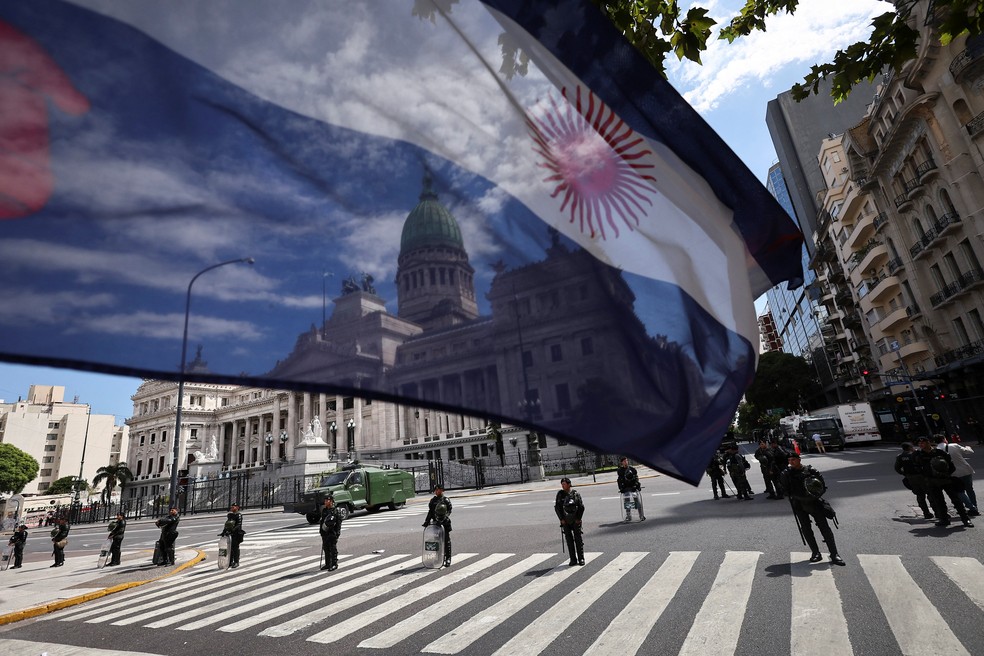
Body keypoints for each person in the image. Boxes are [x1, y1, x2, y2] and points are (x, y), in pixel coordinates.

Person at [780, 453, 845, 566]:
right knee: (806, 529)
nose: (791, 462)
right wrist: (785, 481)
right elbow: (785, 490)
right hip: (799, 504)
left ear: (799, 459)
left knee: (825, 528)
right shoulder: (787, 473)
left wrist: (813, 495)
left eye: (793, 459)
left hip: (814, 503)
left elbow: (822, 487)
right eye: (789, 460)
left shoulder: (811, 471)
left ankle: (834, 554)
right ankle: (815, 553)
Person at [914, 436, 974, 528]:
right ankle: (944, 519)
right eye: (919, 443)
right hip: (932, 481)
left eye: (923, 442)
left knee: (956, 500)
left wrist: (946, 474)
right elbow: (917, 468)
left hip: (945, 479)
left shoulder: (939, 452)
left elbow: (951, 465)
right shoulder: (918, 455)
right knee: (939, 501)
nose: (921, 444)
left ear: (928, 442)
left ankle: (965, 519)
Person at [937, 435, 979, 517]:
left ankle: (968, 507)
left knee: (959, 491)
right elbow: (969, 452)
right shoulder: (954, 445)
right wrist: (968, 447)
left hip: (953, 473)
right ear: (944, 439)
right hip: (965, 470)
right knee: (969, 489)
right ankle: (974, 507)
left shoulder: (937, 450)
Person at [894, 442, 932, 520]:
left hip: (911, 478)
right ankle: (938, 512)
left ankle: (926, 513)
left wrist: (905, 474)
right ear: (910, 448)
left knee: (920, 495)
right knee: (930, 493)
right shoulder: (916, 454)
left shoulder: (900, 457)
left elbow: (897, 468)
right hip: (922, 476)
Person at [554, 477, 585, 566]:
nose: (563, 486)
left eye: (564, 484)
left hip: (575, 520)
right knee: (569, 541)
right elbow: (557, 508)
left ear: (569, 484)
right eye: (562, 484)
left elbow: (581, 507)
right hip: (565, 521)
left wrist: (578, 519)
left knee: (578, 540)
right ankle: (573, 559)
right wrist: (561, 519)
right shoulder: (560, 494)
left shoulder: (575, 494)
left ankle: (581, 558)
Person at [423, 484, 453, 567]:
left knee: (446, 540)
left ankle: (448, 558)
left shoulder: (445, 500)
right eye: (435, 490)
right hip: (436, 523)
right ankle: (439, 558)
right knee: (437, 541)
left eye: (438, 490)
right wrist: (427, 521)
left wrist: (443, 518)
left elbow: (449, 511)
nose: (436, 491)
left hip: (444, 522)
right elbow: (430, 512)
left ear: (442, 490)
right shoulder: (433, 500)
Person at [616, 457, 645, 521]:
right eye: (624, 461)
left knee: (637, 500)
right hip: (626, 488)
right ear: (622, 462)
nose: (626, 462)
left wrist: (636, 485)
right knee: (627, 501)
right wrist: (621, 488)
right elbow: (619, 480)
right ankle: (629, 516)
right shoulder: (620, 471)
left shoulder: (632, 469)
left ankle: (641, 515)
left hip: (633, 487)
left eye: (626, 461)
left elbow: (636, 478)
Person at [319, 495, 342, 571]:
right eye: (325, 501)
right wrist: (321, 531)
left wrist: (337, 533)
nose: (325, 502)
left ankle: (334, 564)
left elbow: (338, 523)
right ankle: (328, 563)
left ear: (331, 501)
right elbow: (322, 521)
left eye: (327, 501)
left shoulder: (335, 511)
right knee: (326, 548)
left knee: (333, 548)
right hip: (325, 532)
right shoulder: (324, 510)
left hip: (332, 532)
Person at [219, 503, 245, 568]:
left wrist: (233, 530)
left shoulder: (239, 515)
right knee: (229, 548)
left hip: (236, 534)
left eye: (234, 507)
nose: (232, 508)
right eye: (232, 507)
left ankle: (236, 562)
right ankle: (230, 561)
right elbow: (227, 524)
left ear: (237, 507)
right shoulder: (230, 515)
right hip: (230, 534)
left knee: (235, 548)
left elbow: (239, 524)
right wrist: (224, 532)